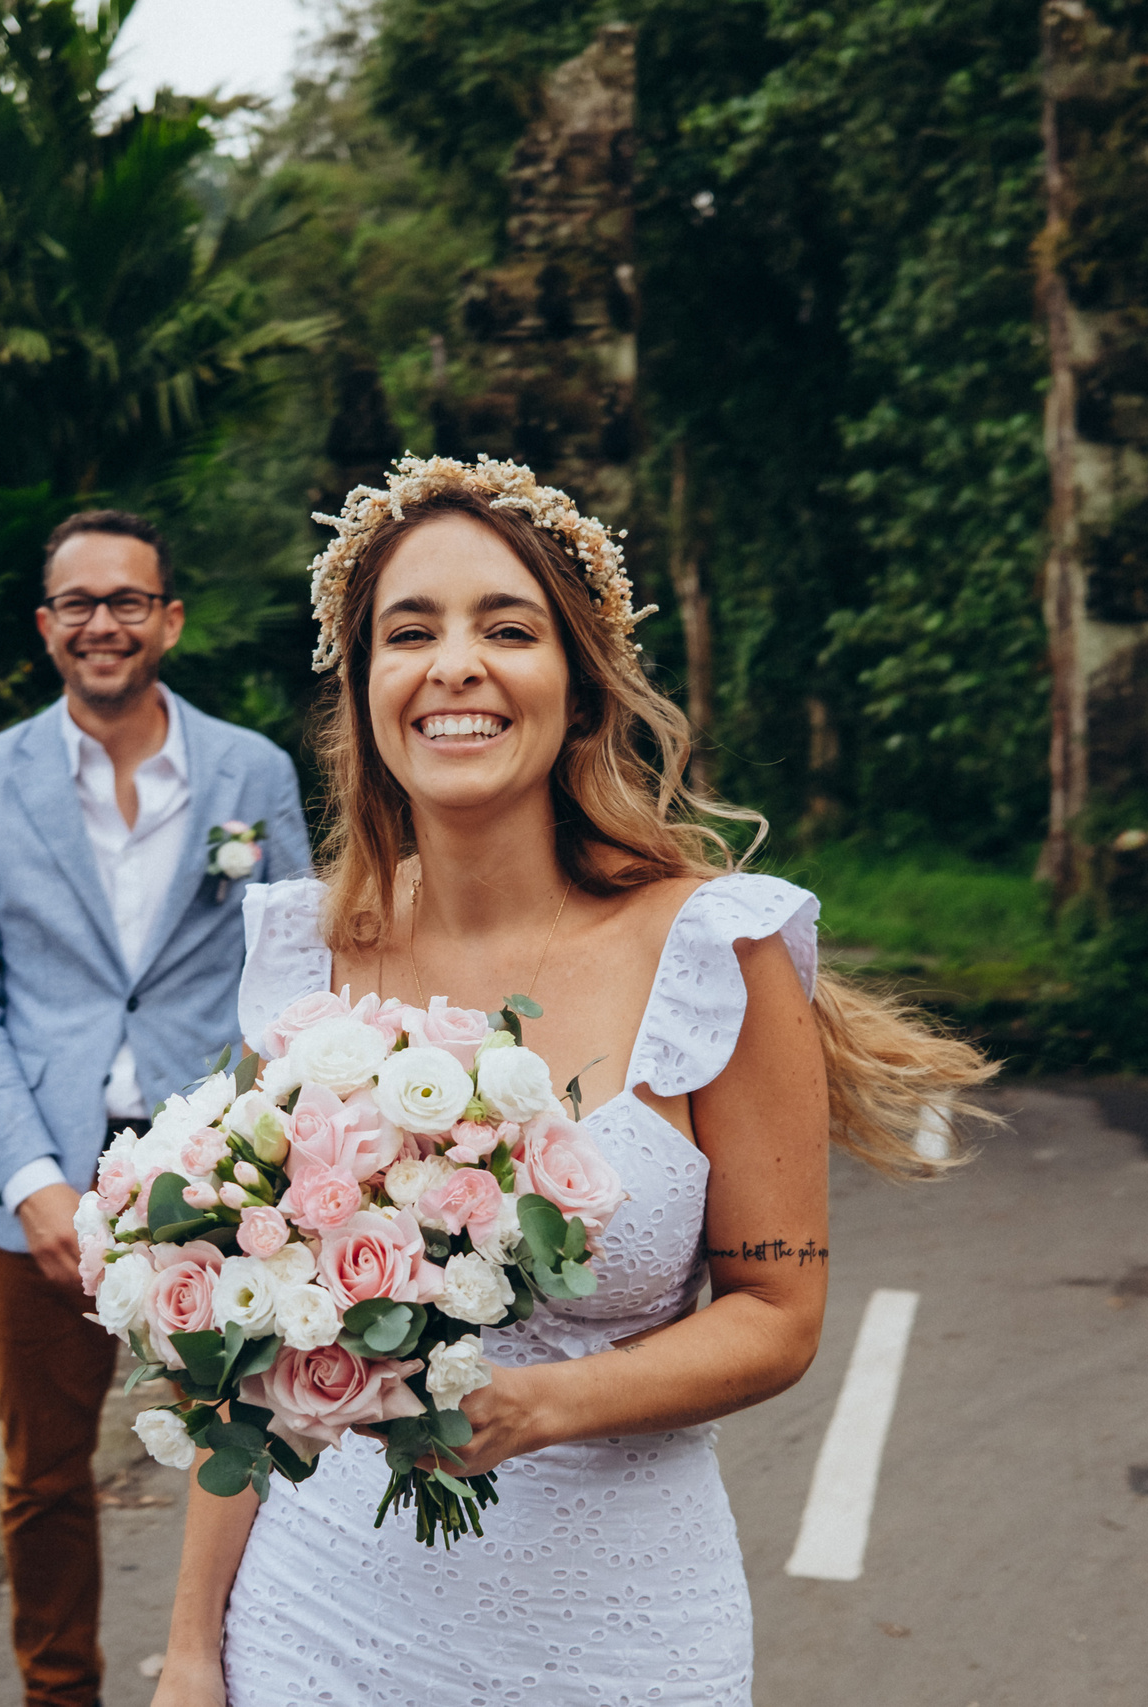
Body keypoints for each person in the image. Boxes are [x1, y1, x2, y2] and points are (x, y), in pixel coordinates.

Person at [144, 458, 996, 1705]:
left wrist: (541, 1406)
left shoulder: (718, 955)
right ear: (365, 687)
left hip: (617, 1633)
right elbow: (252, 1369)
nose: (454, 666)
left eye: (507, 627)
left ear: (580, 685)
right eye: (409, 631)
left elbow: (779, 1315)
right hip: (319, 1621)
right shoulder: (307, 955)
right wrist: (187, 1654)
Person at [0, 509, 313, 1707]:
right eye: (79, 603)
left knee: (249, 1441)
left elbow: (294, 975)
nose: (104, 623)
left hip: (216, 1175)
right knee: (44, 1475)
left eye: (128, 600)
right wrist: (34, 1182)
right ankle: (61, 1691)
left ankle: (231, 1678)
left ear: (169, 619)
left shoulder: (251, 772)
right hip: (33, 1174)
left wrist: (262, 1154)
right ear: (47, 627)